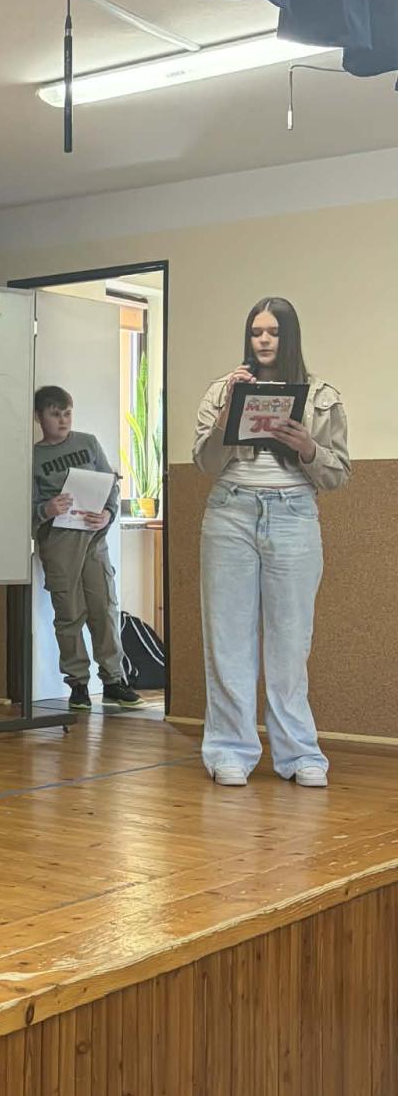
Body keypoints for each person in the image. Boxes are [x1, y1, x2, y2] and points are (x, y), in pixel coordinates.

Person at [193, 297, 349, 788]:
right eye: (256, 331)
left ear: (290, 336)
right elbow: (204, 463)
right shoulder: (221, 389)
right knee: (228, 639)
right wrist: (227, 412)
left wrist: (307, 447)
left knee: (289, 641)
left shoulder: (321, 395)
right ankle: (230, 750)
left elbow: (338, 474)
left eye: (273, 332)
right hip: (230, 511)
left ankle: (299, 753)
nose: (263, 340)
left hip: (294, 513)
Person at [33, 386, 144, 712]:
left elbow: (110, 484)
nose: (63, 420)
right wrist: (46, 509)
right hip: (58, 541)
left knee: (104, 608)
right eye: (55, 414)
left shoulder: (88, 443)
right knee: (69, 614)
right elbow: (25, 505)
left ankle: (113, 681)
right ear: (39, 417)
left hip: (93, 538)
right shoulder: (33, 457)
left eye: (67, 413)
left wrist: (108, 513)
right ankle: (78, 684)